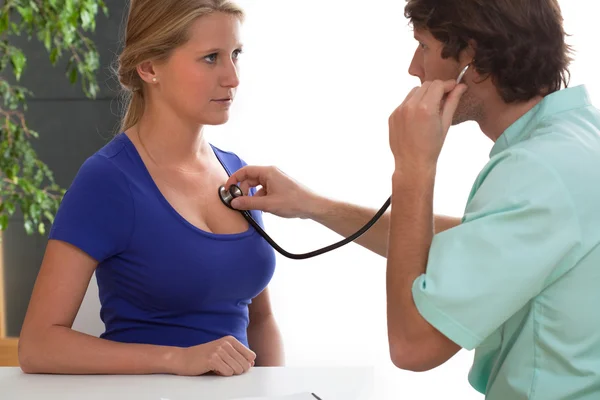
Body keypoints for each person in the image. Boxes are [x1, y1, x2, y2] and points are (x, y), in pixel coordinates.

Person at [224, 0, 600, 398]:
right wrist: (315, 206)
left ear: (471, 58)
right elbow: (472, 242)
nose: (414, 68)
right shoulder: (574, 137)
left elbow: (413, 346)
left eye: (422, 45)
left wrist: (413, 167)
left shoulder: (535, 171)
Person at [18, 0, 284, 377]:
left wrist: (275, 389)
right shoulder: (107, 180)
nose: (232, 77)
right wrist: (176, 358)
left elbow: (261, 321)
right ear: (149, 68)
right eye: (210, 58)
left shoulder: (236, 171)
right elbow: (38, 345)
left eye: (235, 54)